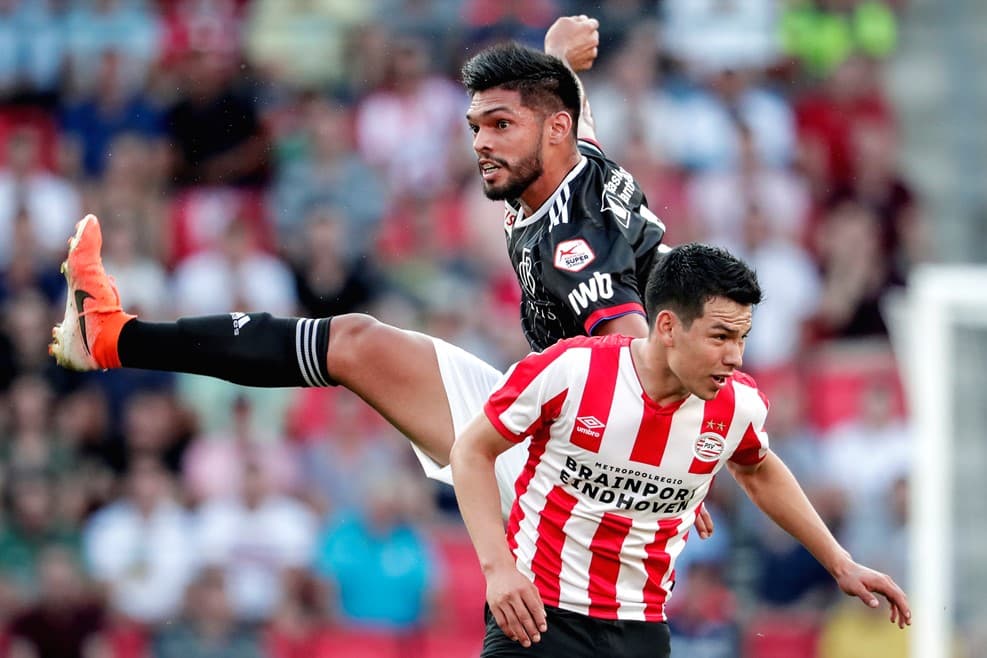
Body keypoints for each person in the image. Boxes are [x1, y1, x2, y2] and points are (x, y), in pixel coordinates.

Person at [47, 16, 711, 534]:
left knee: (361, 347)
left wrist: (657, 461)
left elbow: (631, 354)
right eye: (477, 125)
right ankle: (112, 337)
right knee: (355, 342)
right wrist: (558, 56)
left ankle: (113, 339)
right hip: (562, 428)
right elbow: (577, 126)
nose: (480, 144)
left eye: (498, 127)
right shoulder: (580, 164)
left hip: (572, 464)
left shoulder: (573, 239)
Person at [449, 244, 910, 658]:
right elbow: (471, 451)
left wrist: (840, 562)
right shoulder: (573, 371)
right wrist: (498, 571)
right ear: (668, 326)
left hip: (642, 631)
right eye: (720, 337)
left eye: (742, 338)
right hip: (539, 619)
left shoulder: (736, 405)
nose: (735, 357)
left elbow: (758, 469)